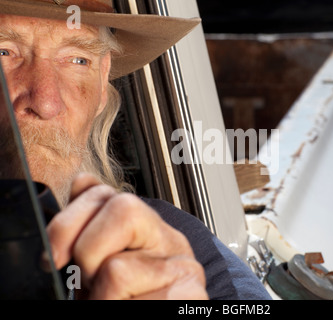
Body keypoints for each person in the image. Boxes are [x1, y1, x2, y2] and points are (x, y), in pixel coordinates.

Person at [0, 0, 272, 300]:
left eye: (77, 59)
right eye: (4, 52)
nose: (45, 102)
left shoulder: (173, 248)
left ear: (102, 85)